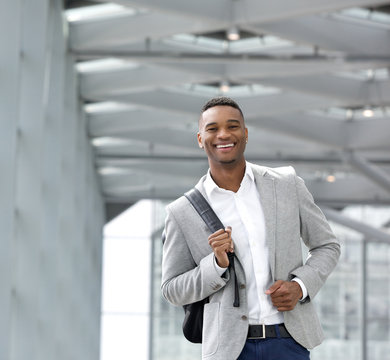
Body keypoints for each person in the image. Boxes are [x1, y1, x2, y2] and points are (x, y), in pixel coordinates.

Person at [161, 96, 340, 360]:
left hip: (289, 340)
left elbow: (327, 246)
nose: (223, 134)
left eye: (232, 126)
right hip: (229, 349)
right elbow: (172, 289)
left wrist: (300, 286)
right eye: (212, 128)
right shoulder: (181, 212)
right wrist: (216, 264)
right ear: (200, 139)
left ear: (245, 135)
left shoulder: (286, 184)